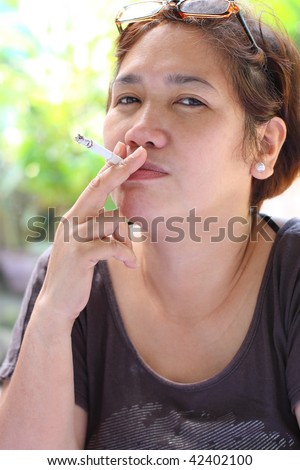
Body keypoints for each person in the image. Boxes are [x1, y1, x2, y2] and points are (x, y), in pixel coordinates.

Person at [0, 0, 300, 450]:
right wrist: (51, 315)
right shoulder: (69, 276)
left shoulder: (292, 274)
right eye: (128, 99)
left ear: (265, 144)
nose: (140, 129)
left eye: (189, 100)